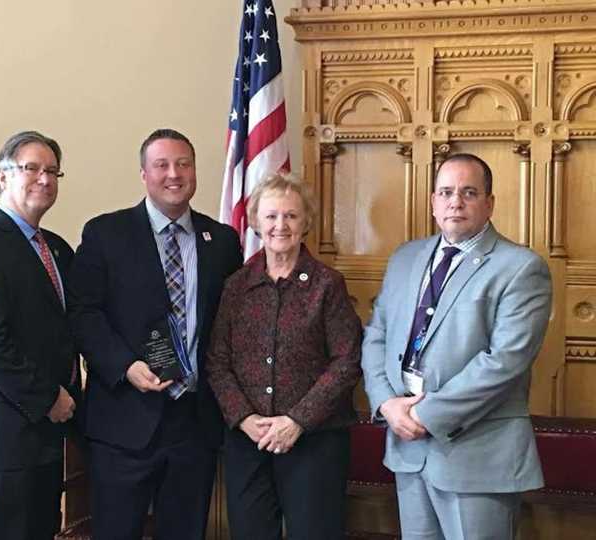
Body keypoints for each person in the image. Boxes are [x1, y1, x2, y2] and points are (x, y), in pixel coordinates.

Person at [362, 153, 552, 539]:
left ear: (489, 203)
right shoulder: (405, 258)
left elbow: (503, 362)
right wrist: (385, 403)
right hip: (407, 448)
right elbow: (376, 336)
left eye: (469, 192)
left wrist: (423, 415)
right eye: (446, 192)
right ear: (433, 201)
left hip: (478, 454)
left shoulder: (520, 267)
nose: (456, 202)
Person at [68, 128, 243, 540]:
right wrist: (124, 366)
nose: (173, 174)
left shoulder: (221, 241)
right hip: (123, 420)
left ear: (195, 172)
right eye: (162, 165)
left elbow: (231, 323)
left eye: (183, 164)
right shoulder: (105, 234)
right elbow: (82, 314)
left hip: (194, 424)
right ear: (144, 174)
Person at [206, 173, 363, 540]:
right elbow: (217, 360)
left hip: (314, 442)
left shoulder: (328, 285)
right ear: (256, 222)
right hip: (249, 442)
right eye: (272, 215)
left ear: (305, 221)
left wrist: (297, 420)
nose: (281, 225)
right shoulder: (237, 286)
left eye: (291, 216)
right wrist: (244, 417)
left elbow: (346, 360)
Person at [0, 131, 80, 540]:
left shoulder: (56, 249)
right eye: (31, 168)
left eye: (52, 171)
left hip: (46, 437)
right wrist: (49, 398)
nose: (44, 179)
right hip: (4, 438)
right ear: (2, 177)